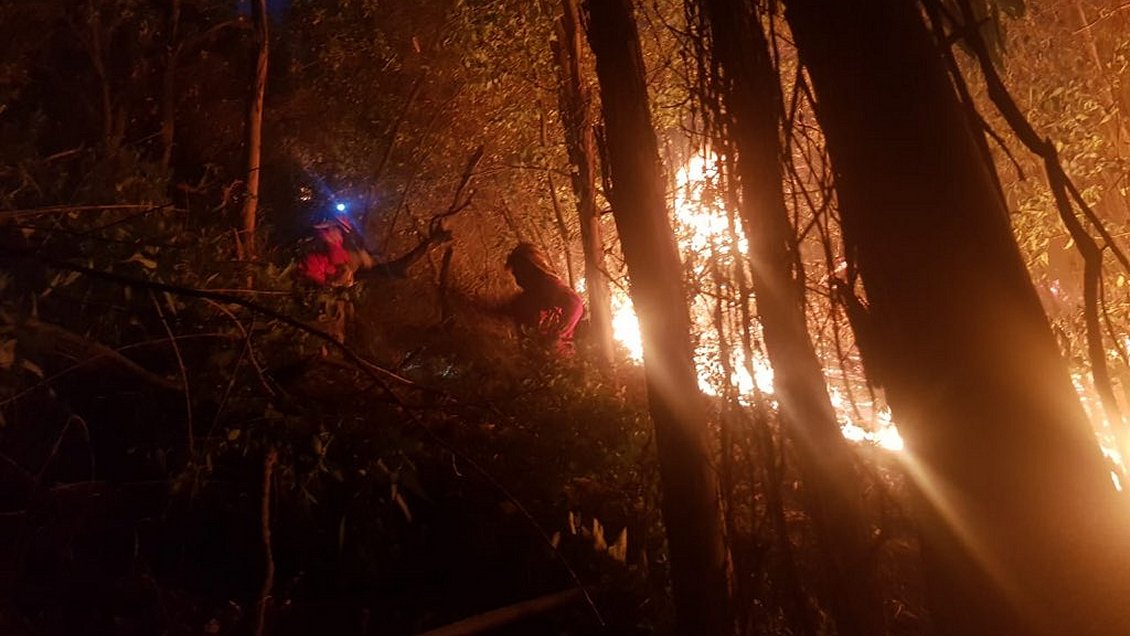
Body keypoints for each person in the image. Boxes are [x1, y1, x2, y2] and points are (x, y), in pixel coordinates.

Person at [504, 242, 584, 354]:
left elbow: (575, 303)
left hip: (557, 356)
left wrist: (558, 335)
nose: (516, 278)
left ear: (528, 268)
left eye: (517, 271)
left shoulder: (549, 285)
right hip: (537, 356)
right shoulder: (528, 295)